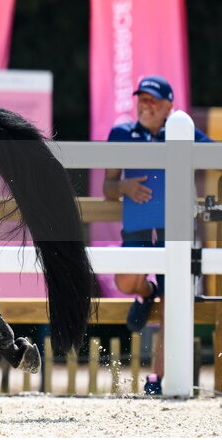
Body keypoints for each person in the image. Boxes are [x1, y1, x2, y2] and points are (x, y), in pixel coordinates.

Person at [103, 75, 213, 395]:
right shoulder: (121, 133)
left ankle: (158, 378)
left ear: (169, 107)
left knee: (172, 302)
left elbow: (213, 156)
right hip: (137, 224)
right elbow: (108, 186)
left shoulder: (183, 130)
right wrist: (123, 186)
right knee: (125, 281)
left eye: (152, 100)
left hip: (175, 230)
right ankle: (145, 291)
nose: (145, 105)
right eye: (142, 99)